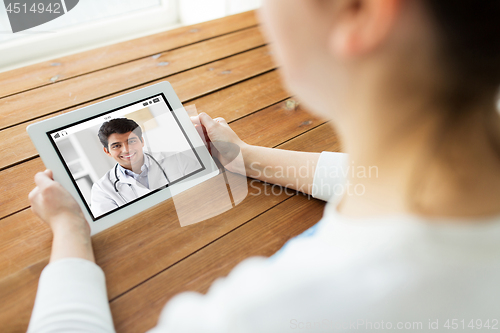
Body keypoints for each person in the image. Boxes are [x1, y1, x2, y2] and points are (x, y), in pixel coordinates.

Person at [27, 0, 500, 332]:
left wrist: (69, 228)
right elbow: (371, 175)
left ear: (359, 10)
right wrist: (245, 158)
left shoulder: (279, 310)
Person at [90, 118, 202, 217]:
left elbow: (204, 189)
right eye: (116, 146)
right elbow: (113, 229)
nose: (126, 150)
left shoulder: (177, 159)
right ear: (107, 151)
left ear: (142, 141)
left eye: (131, 141)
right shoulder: (102, 189)